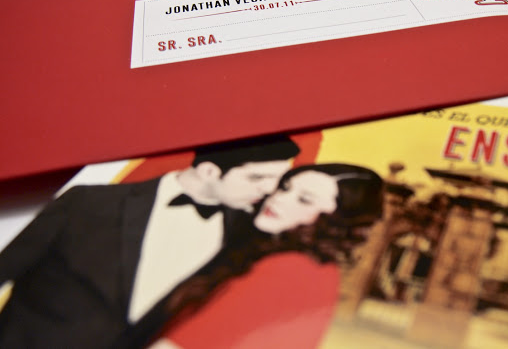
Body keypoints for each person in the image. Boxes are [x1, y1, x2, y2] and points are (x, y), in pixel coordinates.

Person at [0, 135, 300, 349]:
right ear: (209, 171)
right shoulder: (88, 203)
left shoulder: (249, 230)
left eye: (278, 180)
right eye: (257, 178)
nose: (269, 190)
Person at [134, 163, 384, 349]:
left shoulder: (289, 270)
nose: (278, 199)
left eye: (305, 200)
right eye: (285, 188)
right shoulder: (322, 269)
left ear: (337, 221)